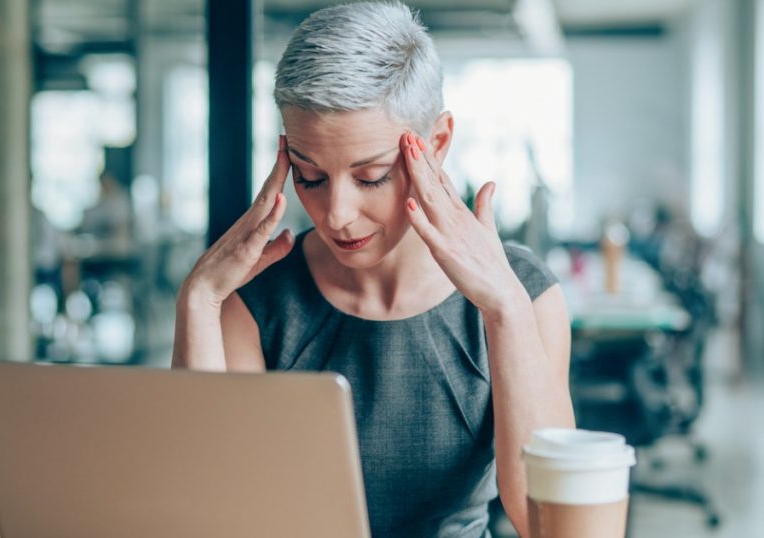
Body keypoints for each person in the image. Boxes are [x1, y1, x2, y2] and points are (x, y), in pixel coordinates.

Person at [172, 2, 575, 536]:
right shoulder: (258, 301)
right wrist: (198, 300)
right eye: (310, 176)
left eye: (372, 176)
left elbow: (546, 521)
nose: (336, 214)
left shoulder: (524, 295)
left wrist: (505, 311)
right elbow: (209, 511)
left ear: (435, 145)